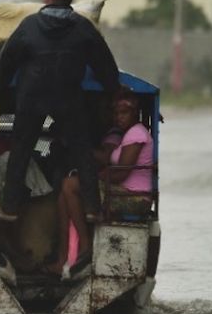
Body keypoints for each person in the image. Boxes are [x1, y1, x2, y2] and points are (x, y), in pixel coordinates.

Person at [0, 0, 121, 222]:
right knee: (82, 150)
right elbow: (105, 64)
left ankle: (10, 209)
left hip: (31, 98)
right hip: (68, 98)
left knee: (21, 148)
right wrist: (112, 87)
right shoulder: (83, 28)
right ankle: (93, 209)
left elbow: (7, 60)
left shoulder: (28, 26)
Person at [48, 94, 153, 278]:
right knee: (64, 192)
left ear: (134, 113)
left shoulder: (137, 133)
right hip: (120, 192)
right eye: (116, 113)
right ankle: (63, 257)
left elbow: (121, 173)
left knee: (69, 185)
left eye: (124, 112)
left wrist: (93, 177)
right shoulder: (128, 134)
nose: (119, 117)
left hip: (132, 196)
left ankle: (85, 246)